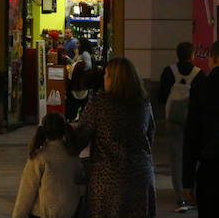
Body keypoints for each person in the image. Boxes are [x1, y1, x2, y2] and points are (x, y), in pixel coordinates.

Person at [76, 57, 155, 218]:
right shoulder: (143, 104)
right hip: (141, 176)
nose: (104, 78)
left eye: (106, 74)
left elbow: (79, 138)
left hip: (108, 180)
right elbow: (150, 134)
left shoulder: (99, 104)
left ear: (113, 78)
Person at [11, 112, 84, 218]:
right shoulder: (72, 155)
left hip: (44, 213)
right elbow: (79, 183)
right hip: (69, 213)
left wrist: (18, 215)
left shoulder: (39, 157)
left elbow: (27, 191)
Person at [159, 42, 204, 213]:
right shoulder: (199, 74)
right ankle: (192, 192)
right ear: (192, 55)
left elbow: (161, 96)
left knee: (176, 157)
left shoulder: (168, 72)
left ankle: (180, 196)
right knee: (194, 156)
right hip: (193, 121)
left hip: (173, 121)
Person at [183, 40, 219, 216]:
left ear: (214, 58)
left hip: (210, 168)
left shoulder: (201, 88)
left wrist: (187, 180)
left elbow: (192, 136)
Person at [66, 38, 94, 121]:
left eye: (78, 43)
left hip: (80, 82)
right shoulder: (83, 53)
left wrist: (77, 68)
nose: (77, 45)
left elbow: (88, 67)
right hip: (81, 82)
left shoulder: (85, 54)